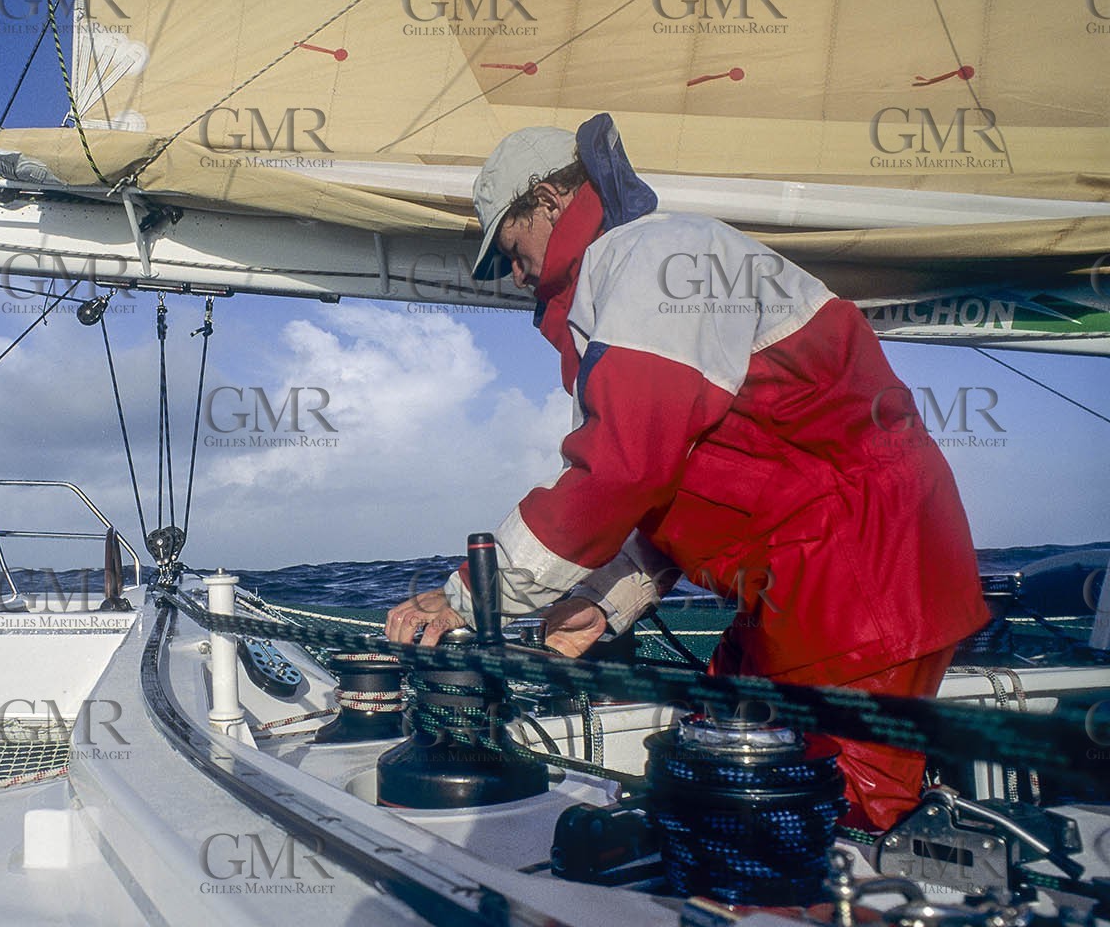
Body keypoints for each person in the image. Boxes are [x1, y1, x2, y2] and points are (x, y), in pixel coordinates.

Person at [385, 117, 991, 831]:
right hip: (804, 587)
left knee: (816, 819)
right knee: (711, 760)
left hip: (861, 591)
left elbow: (623, 467)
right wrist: (601, 605)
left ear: (549, 199)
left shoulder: (655, 259)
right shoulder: (633, 280)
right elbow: (673, 483)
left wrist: (469, 595)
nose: (513, 277)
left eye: (510, 253)